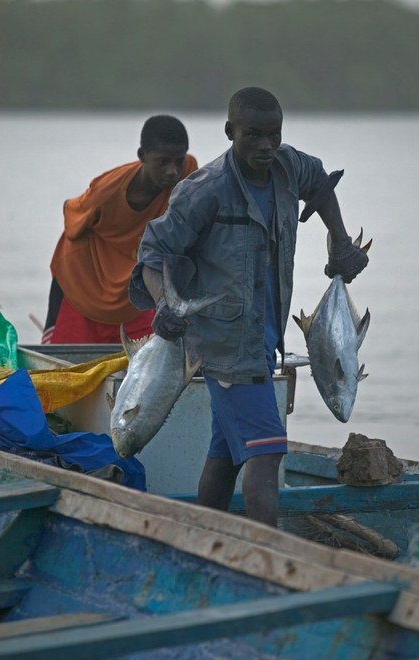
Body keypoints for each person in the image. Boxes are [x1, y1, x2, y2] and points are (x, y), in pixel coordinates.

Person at [129, 87, 369, 526]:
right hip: (223, 346)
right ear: (229, 132)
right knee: (269, 451)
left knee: (224, 454)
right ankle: (266, 556)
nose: (265, 146)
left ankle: (207, 539)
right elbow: (153, 252)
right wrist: (164, 302)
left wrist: (340, 241)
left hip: (265, 338)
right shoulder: (205, 190)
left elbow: (320, 182)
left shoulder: (288, 167)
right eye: (252, 135)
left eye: (273, 135)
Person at [42, 115, 198, 344]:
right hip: (86, 273)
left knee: (147, 351)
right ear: (142, 157)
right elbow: (72, 216)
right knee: (68, 360)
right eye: (163, 162)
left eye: (178, 161)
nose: (172, 172)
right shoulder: (106, 192)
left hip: (132, 275)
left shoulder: (188, 170)